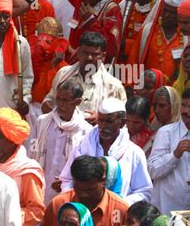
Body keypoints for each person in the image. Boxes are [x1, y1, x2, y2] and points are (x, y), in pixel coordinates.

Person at [59, 97, 153, 204]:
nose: (103, 126)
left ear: (122, 123)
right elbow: (67, 180)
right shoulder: (83, 146)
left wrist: (117, 204)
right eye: (100, 120)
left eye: (109, 121)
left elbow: (144, 191)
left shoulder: (134, 153)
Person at [41, 156, 129, 226]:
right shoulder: (57, 205)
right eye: (78, 188)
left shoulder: (121, 209)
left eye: (90, 189)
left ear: (103, 181)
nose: (83, 194)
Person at [30, 80, 92, 204]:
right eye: (58, 99)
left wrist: (69, 179)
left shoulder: (86, 131)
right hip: (41, 184)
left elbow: (85, 166)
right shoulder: (43, 122)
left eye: (65, 100)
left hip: (68, 190)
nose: (60, 104)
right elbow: (33, 148)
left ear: (78, 102)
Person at [147, 87, 190, 215]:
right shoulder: (166, 133)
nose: (186, 111)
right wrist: (175, 154)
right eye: (184, 105)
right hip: (166, 211)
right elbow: (153, 171)